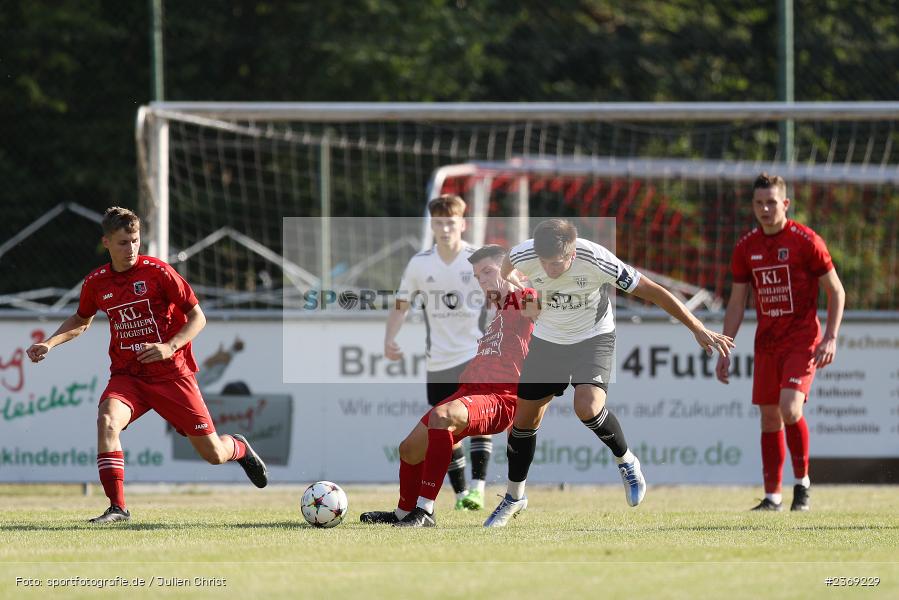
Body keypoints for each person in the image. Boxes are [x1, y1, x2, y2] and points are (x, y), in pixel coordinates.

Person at [485, 218, 735, 527]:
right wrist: (524, 294)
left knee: (587, 407)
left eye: (556, 263)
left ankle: (626, 461)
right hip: (548, 341)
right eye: (545, 263)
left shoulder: (596, 259)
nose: (549, 269)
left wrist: (696, 328)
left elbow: (654, 292)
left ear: (572, 253)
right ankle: (514, 497)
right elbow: (505, 273)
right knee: (523, 421)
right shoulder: (524, 254)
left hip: (593, 338)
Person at [26, 207, 268, 523]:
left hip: (172, 375)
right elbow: (81, 320)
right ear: (107, 243)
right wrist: (49, 343)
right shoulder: (97, 282)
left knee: (213, 455)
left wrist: (169, 347)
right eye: (123, 242)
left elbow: (198, 317)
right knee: (107, 422)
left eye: (135, 241)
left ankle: (238, 447)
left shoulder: (159, 273)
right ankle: (118, 508)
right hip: (129, 376)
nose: (131, 249)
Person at [361, 245, 537, 527]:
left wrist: (527, 284)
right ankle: (404, 513)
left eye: (488, 272)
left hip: (499, 398)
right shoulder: (499, 307)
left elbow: (540, 307)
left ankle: (426, 510)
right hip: (469, 391)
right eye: (478, 276)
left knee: (442, 416)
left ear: (510, 271)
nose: (482, 281)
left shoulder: (522, 299)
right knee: (409, 449)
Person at [716, 173, 845, 512]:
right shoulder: (746, 247)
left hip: (802, 339)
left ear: (785, 203)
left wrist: (830, 336)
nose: (765, 208)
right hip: (767, 342)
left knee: (790, 408)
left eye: (771, 202)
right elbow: (736, 303)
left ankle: (801, 486)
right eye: (759, 203)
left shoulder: (806, 241)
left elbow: (836, 291)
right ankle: (773, 497)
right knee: (769, 417)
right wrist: (725, 347)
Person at [385, 194, 492, 510]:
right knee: (442, 430)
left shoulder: (478, 259)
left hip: (475, 354)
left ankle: (478, 488)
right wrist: (390, 338)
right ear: (432, 225)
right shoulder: (420, 263)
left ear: (463, 224)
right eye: (438, 223)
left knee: (477, 423)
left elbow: (503, 296)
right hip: (439, 361)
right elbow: (401, 305)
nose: (444, 229)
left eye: (450, 222)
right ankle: (461, 496)